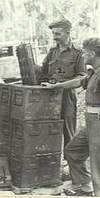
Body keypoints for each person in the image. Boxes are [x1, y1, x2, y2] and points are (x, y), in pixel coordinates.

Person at [42, 37, 100, 197]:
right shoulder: (94, 72)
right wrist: (55, 86)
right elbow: (78, 82)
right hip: (91, 121)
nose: (83, 55)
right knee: (72, 151)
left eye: (86, 52)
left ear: (93, 53)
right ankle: (86, 185)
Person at [42, 18, 86, 148]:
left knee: (68, 129)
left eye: (58, 34)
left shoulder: (78, 53)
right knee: (48, 128)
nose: (54, 37)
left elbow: (80, 79)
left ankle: (70, 161)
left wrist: (59, 85)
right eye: (53, 34)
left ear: (67, 33)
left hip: (66, 96)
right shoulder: (52, 52)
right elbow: (43, 72)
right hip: (49, 96)